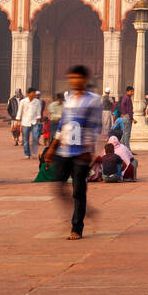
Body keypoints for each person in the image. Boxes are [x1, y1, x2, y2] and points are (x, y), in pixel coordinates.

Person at [48, 64, 102, 240]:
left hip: (81, 151)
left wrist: (90, 149)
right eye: (72, 78)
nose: (74, 81)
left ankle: (76, 228)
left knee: (79, 191)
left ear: (85, 80)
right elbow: (63, 124)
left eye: (77, 77)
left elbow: (95, 127)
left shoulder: (93, 100)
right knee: (58, 185)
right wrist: (52, 147)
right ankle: (84, 210)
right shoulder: (69, 99)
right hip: (65, 149)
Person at [17, 88, 42, 160]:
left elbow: (38, 111)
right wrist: (17, 122)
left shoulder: (37, 101)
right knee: (25, 139)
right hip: (25, 122)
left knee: (35, 137)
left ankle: (34, 153)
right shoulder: (23, 101)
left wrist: (38, 118)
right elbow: (19, 111)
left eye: (35, 93)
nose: (34, 94)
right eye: (33, 93)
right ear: (29, 93)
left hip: (34, 122)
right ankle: (27, 154)